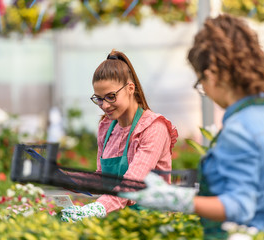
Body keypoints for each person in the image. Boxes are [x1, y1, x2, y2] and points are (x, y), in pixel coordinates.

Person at [120, 14, 264, 238]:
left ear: (212, 75)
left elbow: (239, 207)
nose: (205, 91)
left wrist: (177, 199)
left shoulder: (238, 130)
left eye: (201, 82)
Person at [61, 50, 178, 221]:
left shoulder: (154, 128)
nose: (105, 105)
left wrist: (97, 208)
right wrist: (66, 178)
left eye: (110, 96)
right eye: (99, 99)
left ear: (130, 88)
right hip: (118, 225)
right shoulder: (107, 128)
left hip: (152, 225)